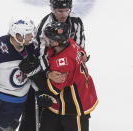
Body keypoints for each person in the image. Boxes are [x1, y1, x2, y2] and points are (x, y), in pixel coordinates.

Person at [19, 0, 88, 131]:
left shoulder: (76, 21)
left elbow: (80, 47)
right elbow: (41, 53)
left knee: (59, 101)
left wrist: (82, 55)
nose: (63, 14)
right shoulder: (45, 25)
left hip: (66, 68)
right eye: (59, 11)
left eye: (66, 10)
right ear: (52, 9)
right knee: (37, 107)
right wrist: (47, 73)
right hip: (50, 67)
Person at [36, 21, 98, 131]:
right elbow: (81, 52)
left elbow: (53, 90)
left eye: (48, 38)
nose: (45, 40)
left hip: (74, 105)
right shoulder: (69, 42)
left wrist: (35, 75)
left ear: (56, 43)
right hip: (74, 95)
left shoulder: (63, 63)